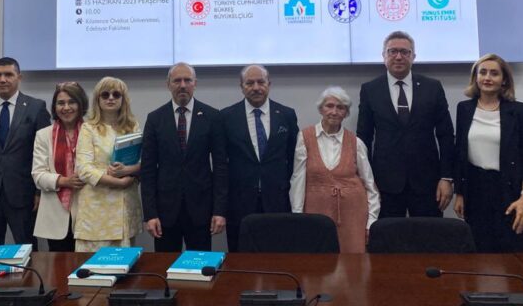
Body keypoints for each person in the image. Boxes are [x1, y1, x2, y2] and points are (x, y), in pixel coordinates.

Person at [357, 31, 455, 218]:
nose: (398, 56)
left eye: (404, 52)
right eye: (392, 51)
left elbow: (446, 135)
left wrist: (446, 177)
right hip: (385, 183)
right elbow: (364, 138)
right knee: (388, 235)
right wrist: (366, 181)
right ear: (384, 56)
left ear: (413, 56)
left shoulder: (432, 87)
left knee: (429, 235)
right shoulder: (370, 90)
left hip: (427, 182)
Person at [453, 54, 523, 252]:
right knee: (478, 252)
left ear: (504, 80)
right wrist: (460, 193)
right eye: (482, 72)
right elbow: (460, 154)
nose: (487, 77)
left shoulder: (519, 111)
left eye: (494, 73)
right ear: (475, 78)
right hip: (476, 190)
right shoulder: (464, 109)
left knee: (511, 252)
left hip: (509, 191)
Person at [140, 63, 227, 251]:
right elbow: (147, 170)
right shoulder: (155, 119)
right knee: (165, 265)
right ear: (168, 84)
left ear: (195, 83)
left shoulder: (212, 116)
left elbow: (221, 166)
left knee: (201, 264)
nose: (182, 85)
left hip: (201, 210)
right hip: (165, 212)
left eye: (187, 80)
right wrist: (150, 214)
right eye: (177, 81)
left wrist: (219, 210)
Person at [0, 57, 51, 245]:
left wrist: (39, 192)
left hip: (24, 195)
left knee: (27, 249)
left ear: (19, 77)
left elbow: (44, 153)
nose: (2, 79)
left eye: (8, 74)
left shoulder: (36, 107)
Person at [290, 86, 380, 253]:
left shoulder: (356, 143)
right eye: (329, 106)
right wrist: (297, 216)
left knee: (353, 262)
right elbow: (298, 179)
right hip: (316, 213)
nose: (334, 112)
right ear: (321, 109)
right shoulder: (305, 138)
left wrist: (371, 222)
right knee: (317, 260)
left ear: (346, 113)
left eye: (340, 107)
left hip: (353, 215)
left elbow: (370, 186)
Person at [220, 64, 299, 252]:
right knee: (240, 257)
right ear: (241, 86)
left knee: (277, 255)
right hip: (239, 203)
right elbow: (221, 164)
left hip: (277, 200)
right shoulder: (226, 117)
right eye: (249, 83)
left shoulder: (286, 115)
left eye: (261, 82)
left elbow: (293, 159)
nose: (256, 87)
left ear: (269, 84)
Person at [74, 77, 143, 250]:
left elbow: (144, 161)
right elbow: (84, 169)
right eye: (105, 94)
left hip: (126, 208)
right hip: (97, 210)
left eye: (116, 94)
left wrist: (128, 171)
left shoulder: (133, 126)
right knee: (94, 263)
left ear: (123, 99)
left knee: (125, 263)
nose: (110, 98)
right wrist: (119, 181)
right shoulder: (88, 128)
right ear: (97, 100)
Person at [32, 82, 89, 251]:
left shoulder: (92, 132)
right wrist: (64, 181)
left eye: (72, 102)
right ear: (54, 107)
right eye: (61, 103)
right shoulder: (43, 135)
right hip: (56, 215)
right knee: (59, 265)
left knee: (88, 263)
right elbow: (38, 175)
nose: (66, 107)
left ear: (81, 104)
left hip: (88, 213)